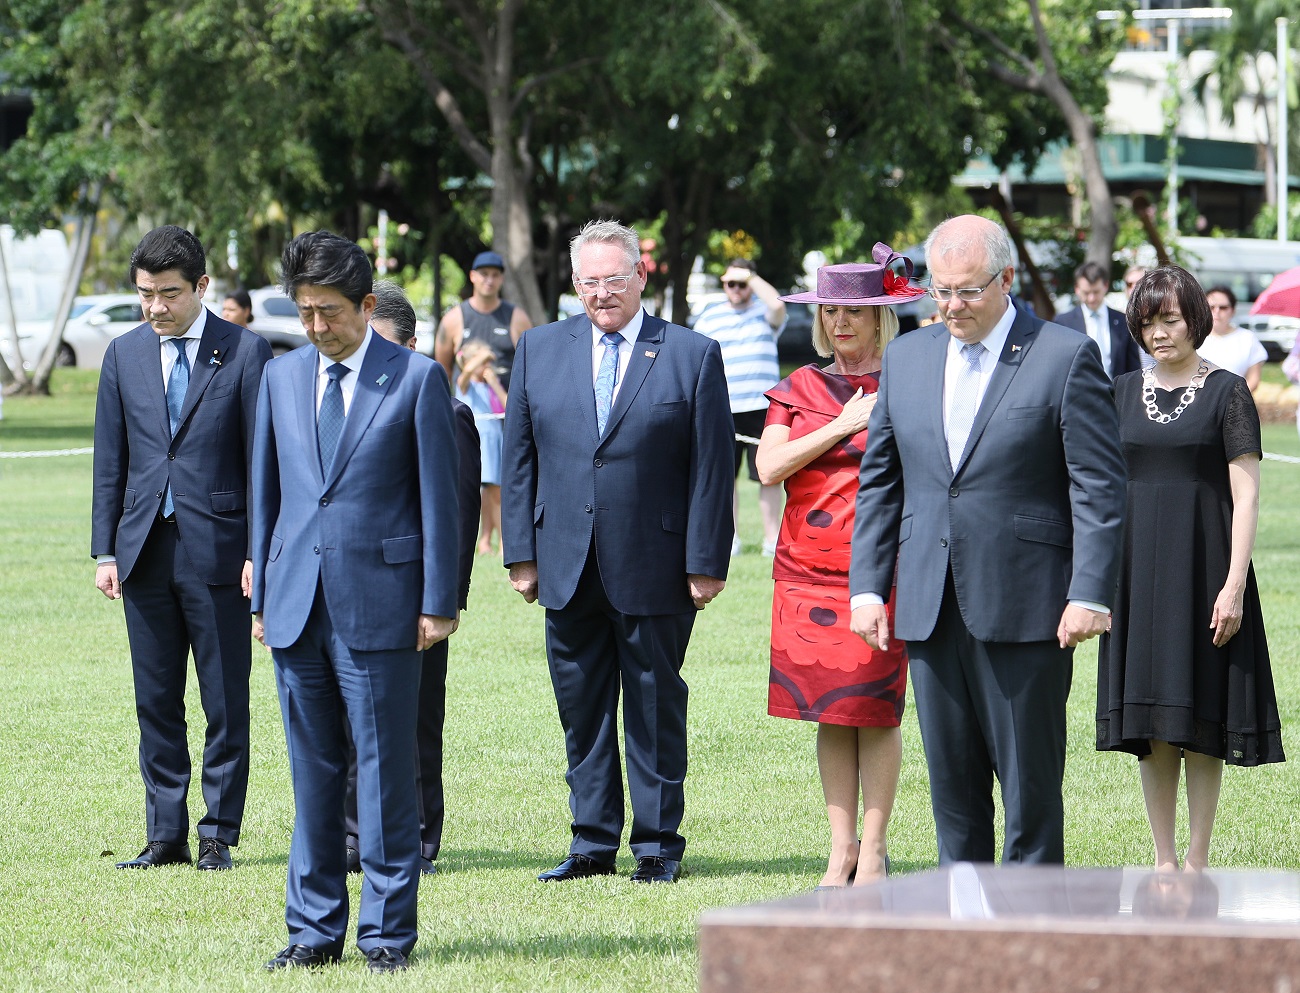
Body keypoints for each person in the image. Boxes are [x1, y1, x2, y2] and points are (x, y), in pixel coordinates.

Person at [848, 214, 1127, 865]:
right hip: (928, 606)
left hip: (1029, 608)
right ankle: (964, 946)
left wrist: (1090, 590)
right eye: (942, 290)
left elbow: (1099, 487)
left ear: (1005, 279)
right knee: (953, 797)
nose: (952, 305)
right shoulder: (909, 358)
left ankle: (1030, 948)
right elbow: (881, 483)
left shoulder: (1063, 354)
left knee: (1030, 801)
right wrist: (867, 586)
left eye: (968, 290)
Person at [250, 231, 459, 973]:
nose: (314, 326)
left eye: (329, 312)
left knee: (382, 774)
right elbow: (267, 495)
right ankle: (311, 930)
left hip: (385, 604)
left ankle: (385, 934)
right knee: (311, 775)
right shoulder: (278, 379)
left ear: (367, 306)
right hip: (295, 603)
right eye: (303, 311)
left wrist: (439, 601)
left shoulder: (416, 379)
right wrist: (262, 594)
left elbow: (443, 499)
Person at [501, 219, 733, 885]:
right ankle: (590, 841)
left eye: (613, 279)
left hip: (656, 563)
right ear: (575, 284)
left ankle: (657, 844)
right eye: (589, 281)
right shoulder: (537, 349)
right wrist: (522, 551)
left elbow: (713, 469)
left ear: (641, 276)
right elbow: (517, 459)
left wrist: (705, 560)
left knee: (655, 704)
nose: (602, 293)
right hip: (565, 561)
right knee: (581, 709)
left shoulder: (691, 353)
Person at [91, 225, 272, 871]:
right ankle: (164, 834)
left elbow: (262, 461)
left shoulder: (246, 353)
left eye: (168, 293)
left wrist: (260, 550)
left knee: (225, 699)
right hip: (142, 552)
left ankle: (217, 832)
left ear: (201, 287)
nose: (155, 307)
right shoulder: (122, 354)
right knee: (155, 698)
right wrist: (103, 551)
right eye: (144, 294)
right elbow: (110, 459)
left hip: (221, 553)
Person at [1096, 265, 1284, 873]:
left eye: (1170, 319)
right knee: (1153, 720)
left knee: (1202, 717)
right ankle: (1164, 861)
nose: (1159, 332)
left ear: (1196, 319)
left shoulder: (1230, 392)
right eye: (1148, 322)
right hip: (1137, 575)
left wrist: (1233, 585)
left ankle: (1197, 860)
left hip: (1207, 571)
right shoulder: (1118, 390)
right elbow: (1096, 485)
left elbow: (1247, 494)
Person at [756, 244, 922, 888]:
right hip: (804, 571)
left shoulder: (909, 380)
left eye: (855, 310)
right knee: (830, 710)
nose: (841, 322)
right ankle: (840, 850)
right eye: (831, 311)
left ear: (881, 315)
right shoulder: (799, 386)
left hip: (880, 568)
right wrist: (842, 423)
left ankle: (875, 850)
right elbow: (770, 467)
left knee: (874, 708)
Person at [341, 280, 480, 878]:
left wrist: (442, 600)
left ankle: (420, 839)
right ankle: (352, 836)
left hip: (414, 595)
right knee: (347, 727)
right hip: (347, 589)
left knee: (416, 721)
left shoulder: (448, 412)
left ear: (413, 344)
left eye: (384, 344)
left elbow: (457, 517)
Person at [693, 258, 787, 556]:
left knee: (768, 475)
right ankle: (729, 538)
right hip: (723, 406)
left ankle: (772, 540)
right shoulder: (710, 317)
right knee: (725, 476)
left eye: (741, 283)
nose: (736, 289)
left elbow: (777, 304)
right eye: (730, 282)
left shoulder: (765, 312)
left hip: (762, 407)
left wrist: (750, 277)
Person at [434, 250, 533, 390]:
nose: (489, 280)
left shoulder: (518, 318)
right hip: (465, 408)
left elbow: (530, 366)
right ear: (472, 276)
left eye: (495, 275)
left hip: (505, 407)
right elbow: (443, 370)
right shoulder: (453, 319)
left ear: (502, 279)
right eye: (484, 274)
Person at [456, 339, 508, 555]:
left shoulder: (489, 385)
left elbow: (508, 406)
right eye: (482, 361)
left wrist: (494, 382)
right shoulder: (464, 383)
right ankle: (503, 541)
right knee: (492, 490)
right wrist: (485, 354)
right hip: (479, 438)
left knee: (491, 490)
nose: (486, 365)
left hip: (495, 437)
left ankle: (486, 538)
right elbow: (466, 370)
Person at [1055, 260, 1143, 380]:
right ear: (1077, 289)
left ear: (1105, 286)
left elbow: (1133, 367)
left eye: (1096, 292)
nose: (1091, 298)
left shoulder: (1123, 321)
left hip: (1116, 394)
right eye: (1086, 293)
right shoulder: (1064, 323)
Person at [1197, 285, 1267, 393]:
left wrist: (1234, 399)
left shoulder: (1247, 338)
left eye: (1223, 307)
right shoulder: (1193, 338)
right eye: (1211, 307)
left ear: (1233, 310)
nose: (1217, 311)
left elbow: (1254, 379)